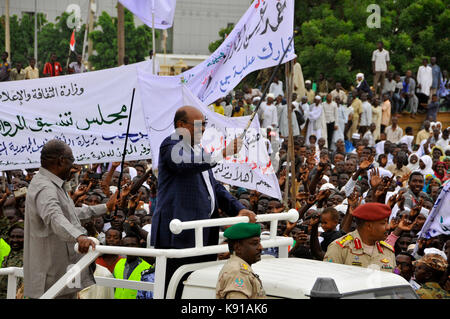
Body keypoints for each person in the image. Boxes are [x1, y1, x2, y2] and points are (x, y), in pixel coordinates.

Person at [150, 106, 256, 297]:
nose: (204, 129)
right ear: (181, 125)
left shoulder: (198, 150)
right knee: (175, 290)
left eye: (204, 125)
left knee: (197, 289)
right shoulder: (171, 144)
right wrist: (222, 153)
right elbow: (184, 165)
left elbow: (214, 187)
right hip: (178, 236)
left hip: (204, 234)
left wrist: (238, 209)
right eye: (199, 125)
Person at [23, 139, 117, 299]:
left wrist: (105, 207)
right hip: (51, 281)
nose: (73, 167)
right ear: (61, 161)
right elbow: (54, 217)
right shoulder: (45, 187)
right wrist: (79, 237)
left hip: (63, 278)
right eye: (71, 161)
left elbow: (71, 214)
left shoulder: (54, 184)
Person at [324, 202, 396, 272]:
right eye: (383, 223)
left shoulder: (388, 251)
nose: (388, 227)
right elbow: (329, 279)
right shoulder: (340, 248)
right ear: (369, 226)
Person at [216, 223, 265, 299]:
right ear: (238, 247)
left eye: (259, 242)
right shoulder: (238, 273)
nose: (261, 247)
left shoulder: (238, 267)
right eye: (255, 243)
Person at [113, 234, 153, 299]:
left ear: (139, 246)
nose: (130, 248)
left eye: (133, 244)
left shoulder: (148, 268)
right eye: (127, 245)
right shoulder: (119, 263)